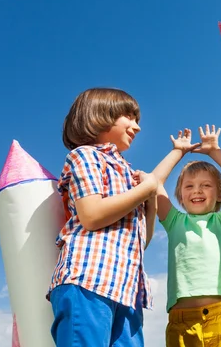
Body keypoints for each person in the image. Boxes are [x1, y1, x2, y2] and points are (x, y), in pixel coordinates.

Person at [48, 87, 157, 346]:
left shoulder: (128, 173)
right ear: (100, 115)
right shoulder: (85, 155)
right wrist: (145, 189)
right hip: (89, 281)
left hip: (127, 290)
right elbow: (92, 215)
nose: (136, 127)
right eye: (128, 117)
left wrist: (149, 198)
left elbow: (143, 241)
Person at [153, 125, 221, 346]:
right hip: (181, 321)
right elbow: (154, 183)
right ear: (180, 196)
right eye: (189, 186)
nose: (197, 190)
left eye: (206, 185)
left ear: (219, 194)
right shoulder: (174, 221)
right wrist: (179, 151)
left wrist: (214, 150)